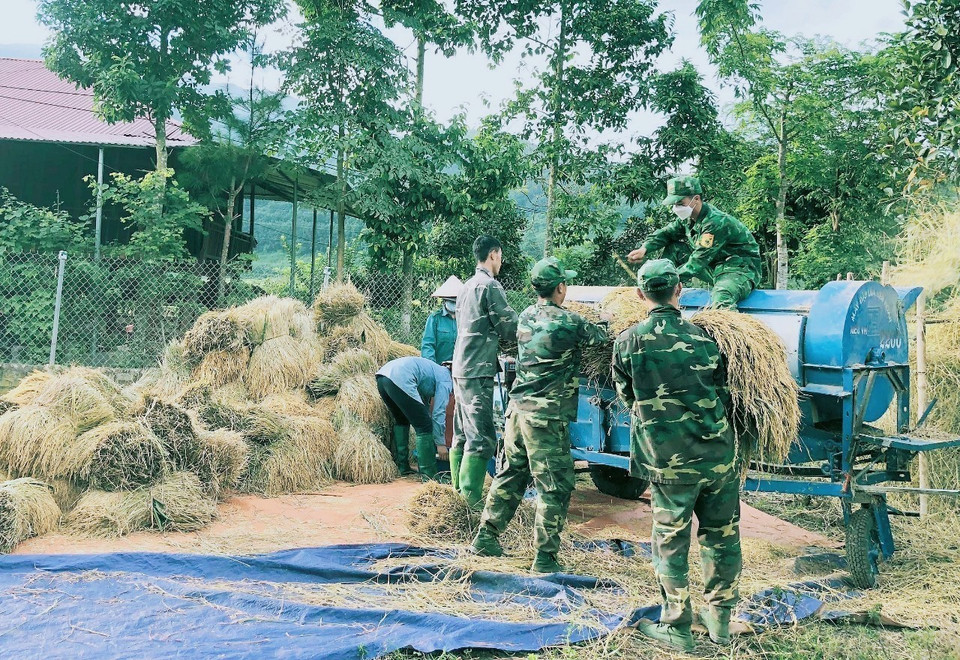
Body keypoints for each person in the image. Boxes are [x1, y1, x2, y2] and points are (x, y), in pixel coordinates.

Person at [611, 259, 742, 652]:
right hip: (717, 455)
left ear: (639, 294)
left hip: (668, 462)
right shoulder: (707, 338)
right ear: (679, 290)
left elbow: (628, 396)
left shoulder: (628, 342)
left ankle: (677, 627)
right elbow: (721, 388)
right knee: (721, 538)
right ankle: (720, 621)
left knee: (671, 541)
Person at [471, 257, 607, 573]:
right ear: (560, 287)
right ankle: (545, 559)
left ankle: (485, 537)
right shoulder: (569, 322)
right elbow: (601, 337)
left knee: (513, 473)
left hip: (517, 413)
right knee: (555, 484)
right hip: (545, 418)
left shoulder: (525, 317)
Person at [451, 235, 519, 506]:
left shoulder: (466, 286)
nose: (500, 262)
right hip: (477, 369)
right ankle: (469, 504)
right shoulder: (489, 286)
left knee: (461, 434)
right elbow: (509, 327)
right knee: (482, 438)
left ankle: (456, 495)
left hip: (460, 367)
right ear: (493, 254)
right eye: (500, 256)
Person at [627, 176, 762, 309]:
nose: (676, 208)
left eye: (680, 203)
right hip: (713, 267)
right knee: (674, 248)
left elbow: (697, 263)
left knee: (722, 297)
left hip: (739, 269)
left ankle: (663, 288)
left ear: (696, 199)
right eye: (674, 204)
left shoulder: (715, 223)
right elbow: (667, 233)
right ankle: (664, 297)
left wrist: (666, 279)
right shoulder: (689, 217)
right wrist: (644, 248)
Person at [376, 356, 453, 479]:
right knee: (424, 426)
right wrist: (440, 444)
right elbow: (439, 413)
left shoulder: (435, 370)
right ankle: (429, 476)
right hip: (400, 377)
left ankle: (403, 467)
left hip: (383, 377)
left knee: (402, 420)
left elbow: (422, 405)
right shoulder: (446, 379)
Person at [421, 276, 463, 365]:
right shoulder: (435, 319)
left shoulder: (467, 319)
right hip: (439, 367)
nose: (455, 304)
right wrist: (432, 367)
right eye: (452, 302)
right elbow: (428, 345)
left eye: (457, 302)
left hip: (462, 369)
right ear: (444, 301)